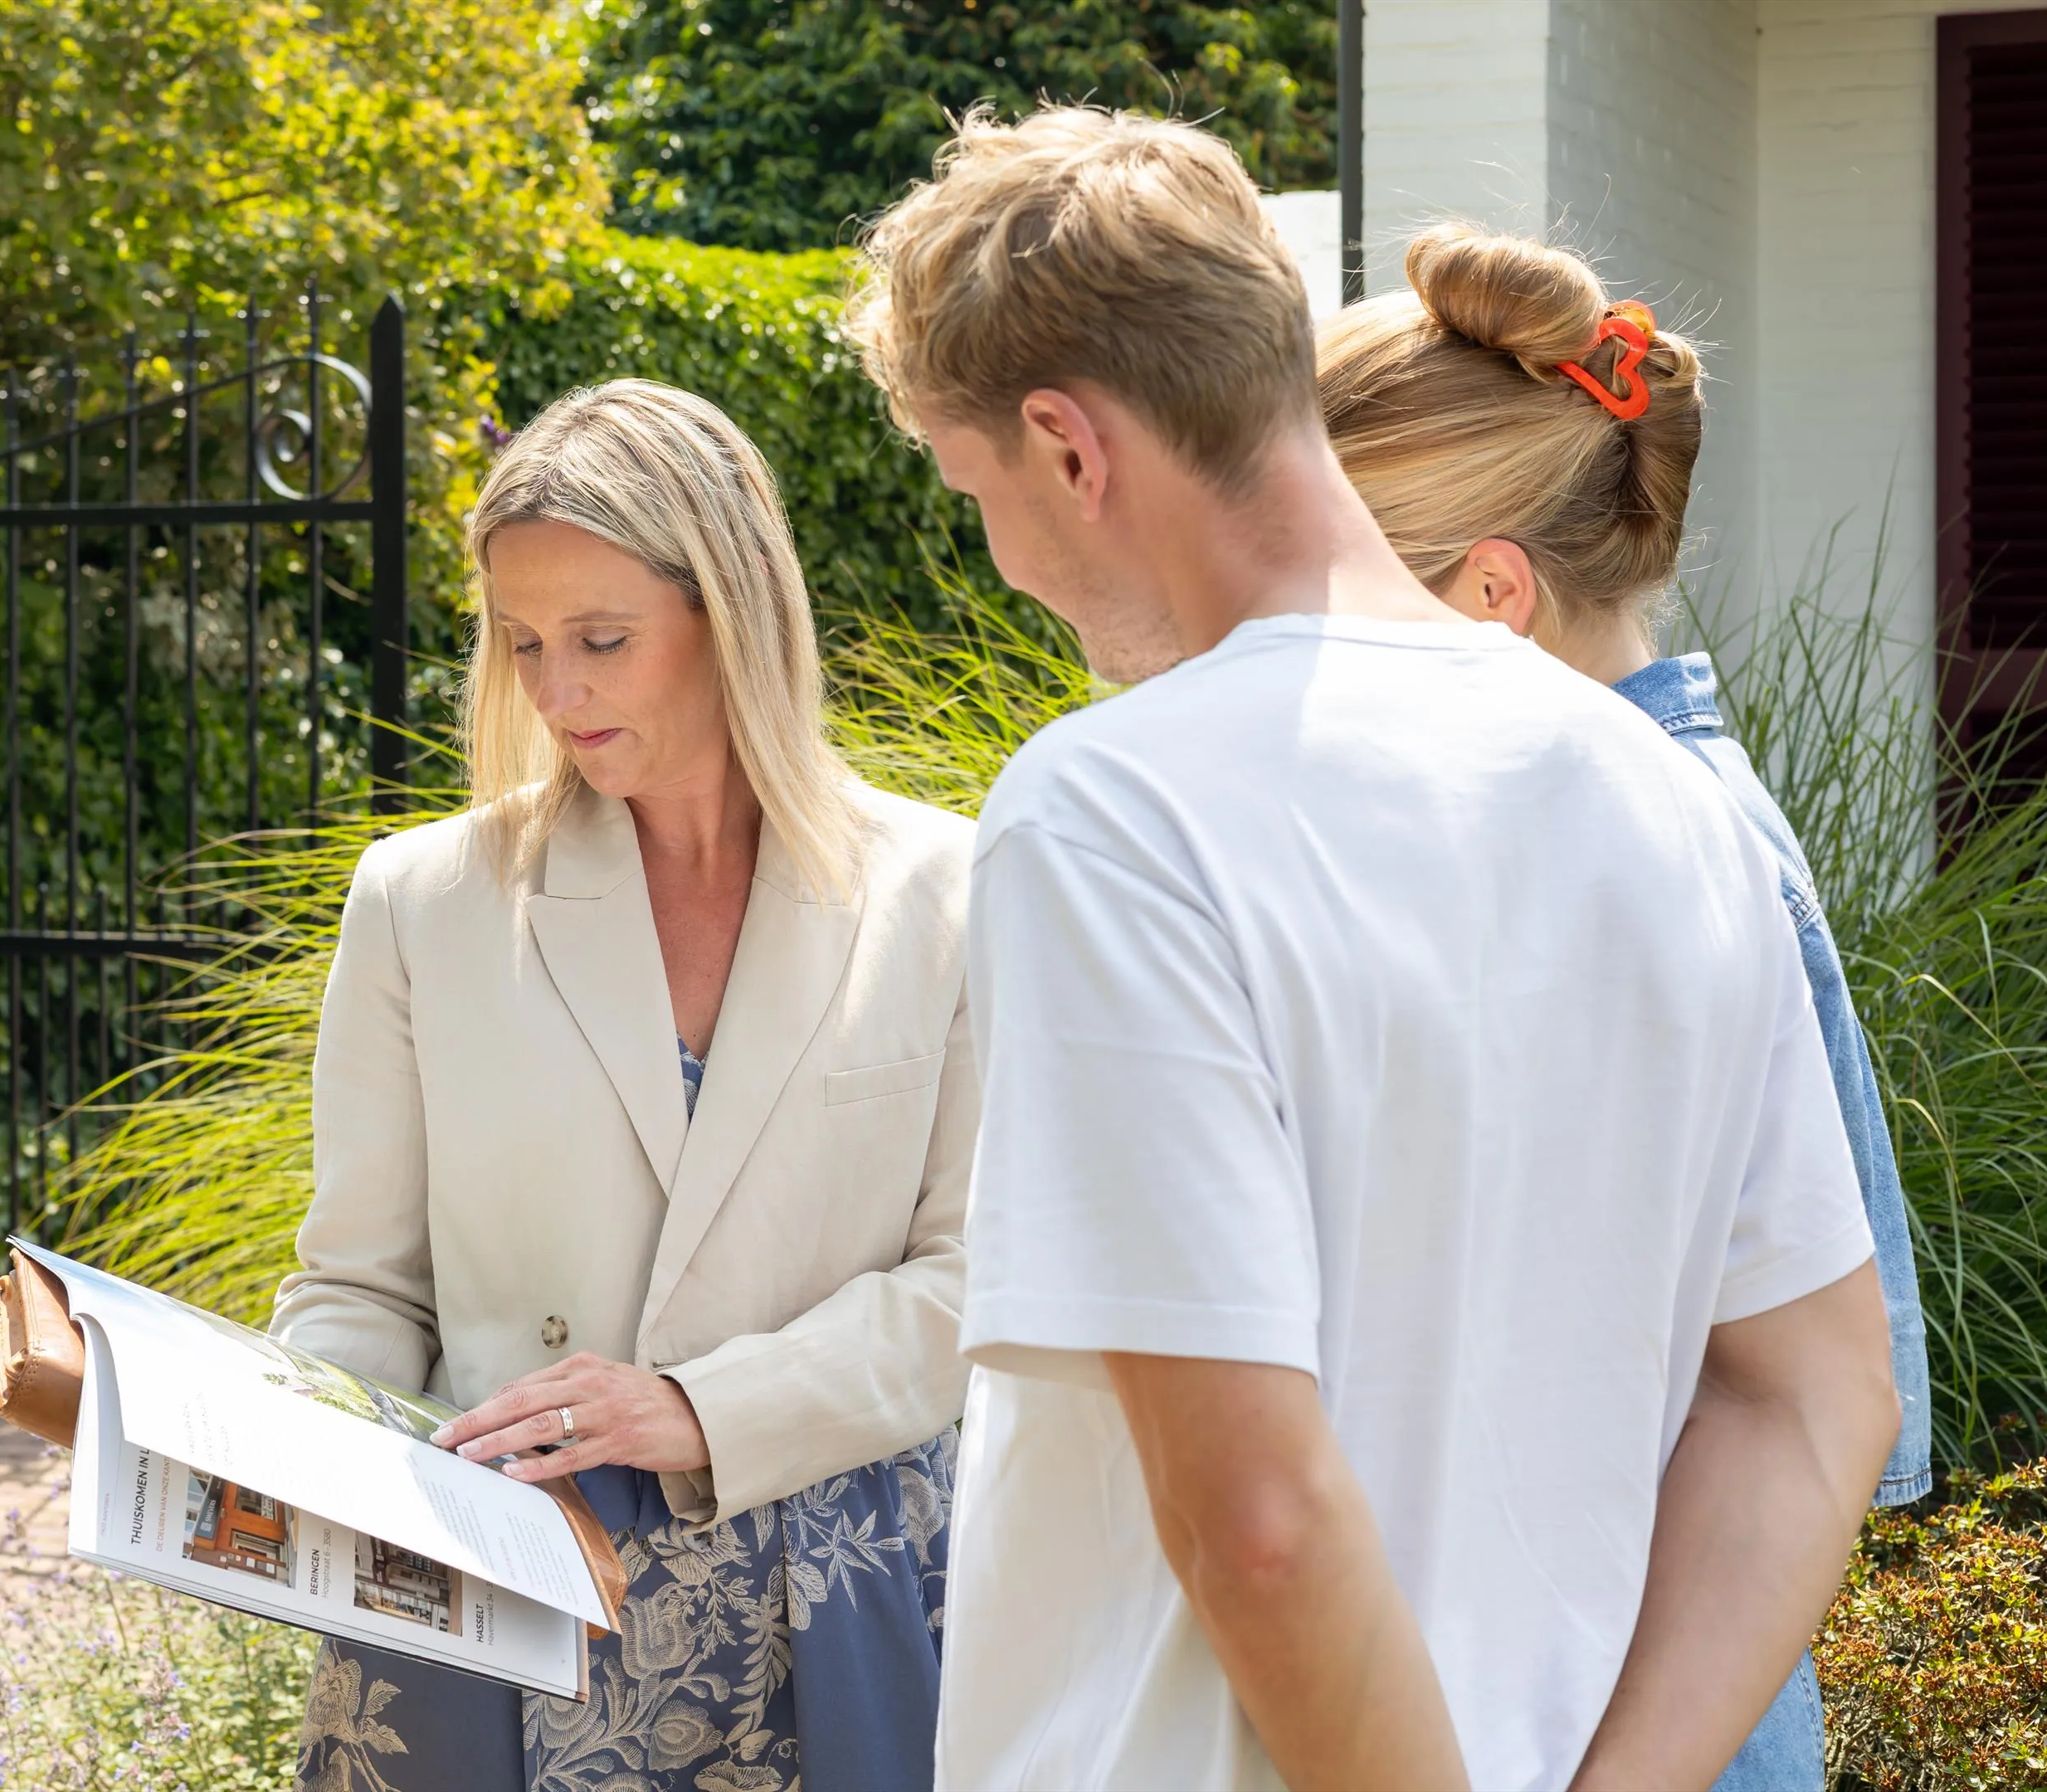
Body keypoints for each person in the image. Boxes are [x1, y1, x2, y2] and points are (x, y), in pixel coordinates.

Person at [842, 105, 1901, 1790]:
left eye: (978, 492)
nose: (1007, 557)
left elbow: (1260, 1521)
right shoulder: (1671, 798)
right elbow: (1821, 1398)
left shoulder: (1111, 809)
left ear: (1066, 446)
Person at [270, 378, 977, 1792]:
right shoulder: (426, 900)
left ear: (733, 616)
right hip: (495, 1601)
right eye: (525, 645)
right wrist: (280, 1453)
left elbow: (982, 1279)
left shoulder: (952, 888)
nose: (559, 693)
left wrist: (706, 1410)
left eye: (603, 639)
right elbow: (359, 1287)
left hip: (840, 1606)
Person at [1316, 222, 1935, 1792]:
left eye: (1318, 602)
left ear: (1493, 596)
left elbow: (1841, 1408)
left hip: (1639, 1720)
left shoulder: (1672, 860)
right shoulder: (1550, 848)